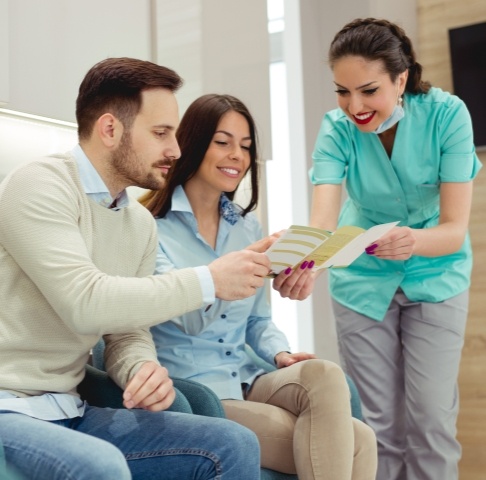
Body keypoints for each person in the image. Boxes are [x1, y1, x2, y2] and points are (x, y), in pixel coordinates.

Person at [0, 57, 270, 480]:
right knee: (101, 466)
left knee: (232, 443)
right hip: (7, 409)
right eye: (161, 133)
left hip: (70, 408)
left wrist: (140, 369)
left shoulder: (138, 223)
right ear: (110, 129)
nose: (176, 151)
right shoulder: (38, 185)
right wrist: (209, 280)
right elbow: (86, 302)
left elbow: (125, 331)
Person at [140, 93, 378, 480]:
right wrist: (233, 269)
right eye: (223, 142)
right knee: (359, 442)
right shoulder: (150, 227)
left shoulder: (246, 227)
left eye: (246, 146)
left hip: (248, 375)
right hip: (197, 391)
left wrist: (279, 353)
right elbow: (189, 322)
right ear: (193, 143)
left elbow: (257, 321)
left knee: (326, 375)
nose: (237, 154)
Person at [307, 18, 483, 480]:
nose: (354, 106)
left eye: (368, 90)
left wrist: (412, 242)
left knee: (431, 421)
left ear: (400, 78)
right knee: (376, 427)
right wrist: (303, 261)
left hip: (435, 274)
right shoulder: (335, 129)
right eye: (342, 92)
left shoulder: (448, 116)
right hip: (361, 279)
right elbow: (322, 223)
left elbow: (453, 228)